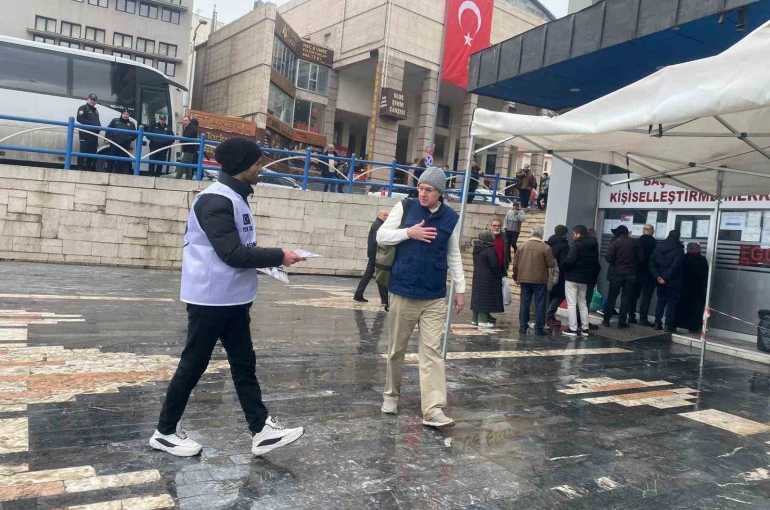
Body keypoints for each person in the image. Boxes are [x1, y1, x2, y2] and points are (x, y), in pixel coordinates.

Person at [149, 137, 306, 458]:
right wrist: (279, 255)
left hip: (230, 299)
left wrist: (271, 261)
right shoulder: (215, 201)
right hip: (210, 300)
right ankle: (164, 433)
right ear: (240, 166)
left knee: (244, 364)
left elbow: (239, 249)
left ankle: (261, 430)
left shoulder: (235, 197)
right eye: (257, 163)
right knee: (193, 364)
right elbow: (232, 253)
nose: (261, 169)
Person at [377, 166, 465, 428]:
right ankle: (391, 395)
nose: (423, 193)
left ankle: (433, 409)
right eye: (421, 188)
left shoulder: (450, 218)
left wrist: (460, 288)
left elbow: (454, 253)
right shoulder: (405, 206)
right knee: (396, 349)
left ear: (440, 193)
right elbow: (382, 235)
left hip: (434, 294)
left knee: (433, 352)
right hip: (403, 290)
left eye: (429, 190)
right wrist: (409, 233)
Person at [513, 226, 555, 336]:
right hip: (540, 279)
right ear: (541, 235)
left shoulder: (521, 246)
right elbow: (551, 264)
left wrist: (516, 277)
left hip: (524, 278)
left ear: (531, 234)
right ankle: (539, 328)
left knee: (524, 302)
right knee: (540, 303)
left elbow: (515, 264)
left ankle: (523, 326)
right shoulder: (546, 248)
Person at [603, 225, 643, 329]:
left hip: (616, 274)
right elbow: (641, 259)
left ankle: (606, 320)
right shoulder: (635, 242)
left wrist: (616, 263)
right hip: (630, 274)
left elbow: (609, 258)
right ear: (627, 232)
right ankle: (621, 322)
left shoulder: (615, 243)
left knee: (612, 298)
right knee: (626, 299)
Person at [650, 230, 685, 332]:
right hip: (673, 281)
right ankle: (668, 325)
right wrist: (665, 277)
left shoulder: (658, 246)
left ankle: (657, 323)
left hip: (660, 280)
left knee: (660, 301)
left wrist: (658, 277)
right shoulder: (679, 249)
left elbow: (652, 263)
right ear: (678, 237)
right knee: (672, 303)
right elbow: (675, 266)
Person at [354, 210, 390, 310]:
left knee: (371, 274)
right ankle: (384, 299)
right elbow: (376, 241)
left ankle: (359, 294)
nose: (386, 217)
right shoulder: (378, 225)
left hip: (374, 254)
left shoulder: (378, 224)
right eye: (384, 215)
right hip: (376, 255)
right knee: (380, 275)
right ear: (379, 215)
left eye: (387, 215)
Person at [562, 225, 594, 337]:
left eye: (574, 234)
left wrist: (564, 267)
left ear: (578, 234)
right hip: (585, 278)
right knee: (583, 303)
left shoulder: (577, 245)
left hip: (572, 277)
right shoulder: (593, 245)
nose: (573, 236)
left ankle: (573, 328)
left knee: (571, 304)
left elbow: (570, 260)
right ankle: (585, 328)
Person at [471, 230, 504, 329]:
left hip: (477, 276)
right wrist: (500, 274)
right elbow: (494, 265)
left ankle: (475, 319)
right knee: (485, 298)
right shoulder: (490, 250)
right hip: (488, 278)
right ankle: (482, 321)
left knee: (477, 297)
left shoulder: (477, 248)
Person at [675, 242, 709, 333]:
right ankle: (693, 327)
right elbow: (705, 275)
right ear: (695, 249)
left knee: (681, 306)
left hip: (683, 288)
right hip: (697, 289)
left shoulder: (683, 258)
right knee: (695, 309)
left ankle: (679, 323)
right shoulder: (701, 260)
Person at [631, 224, 658, 326]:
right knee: (646, 297)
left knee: (633, 295)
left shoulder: (636, 242)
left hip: (636, 272)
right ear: (652, 231)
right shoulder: (655, 244)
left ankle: (631, 316)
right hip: (649, 274)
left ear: (643, 231)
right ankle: (643, 318)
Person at [546, 225, 570, 327]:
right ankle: (549, 315)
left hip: (548, 272)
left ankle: (548, 315)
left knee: (551, 294)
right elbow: (564, 262)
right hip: (560, 273)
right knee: (560, 294)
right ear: (564, 234)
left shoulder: (548, 243)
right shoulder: (564, 246)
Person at [76, 94, 101, 171]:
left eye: (94, 100)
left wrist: (98, 128)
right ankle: (80, 168)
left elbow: (97, 121)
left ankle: (88, 168)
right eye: (91, 99)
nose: (92, 101)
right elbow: (80, 119)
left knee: (92, 152)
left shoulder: (95, 111)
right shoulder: (83, 108)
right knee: (83, 151)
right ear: (88, 99)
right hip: (85, 133)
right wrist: (91, 125)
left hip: (93, 135)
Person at [105, 110, 136, 175]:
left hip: (125, 145)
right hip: (114, 144)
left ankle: (119, 174)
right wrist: (110, 139)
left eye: (127, 114)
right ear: (122, 114)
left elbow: (134, 135)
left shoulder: (131, 124)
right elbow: (108, 131)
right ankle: (107, 173)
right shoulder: (115, 121)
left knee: (122, 162)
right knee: (111, 159)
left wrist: (127, 139)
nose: (126, 115)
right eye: (124, 114)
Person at [583, 228, 602, 330]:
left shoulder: (580, 244)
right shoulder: (594, 245)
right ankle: (584, 322)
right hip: (590, 277)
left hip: (581, 277)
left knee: (581, 301)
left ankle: (580, 321)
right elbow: (596, 264)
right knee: (586, 301)